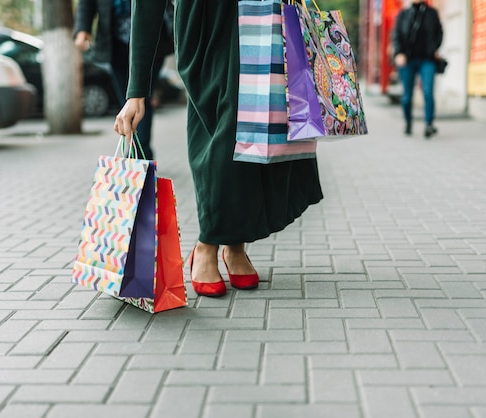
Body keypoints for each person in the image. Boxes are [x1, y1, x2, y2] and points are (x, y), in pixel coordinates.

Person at [114, 1, 323, 297]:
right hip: (206, 23)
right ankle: (208, 244)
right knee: (224, 135)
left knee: (256, 134)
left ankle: (234, 244)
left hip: (264, 15)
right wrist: (136, 91)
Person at [74, 0, 173, 160]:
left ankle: (140, 153)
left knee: (141, 99)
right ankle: (137, 152)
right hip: (115, 42)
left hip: (152, 42)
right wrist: (82, 29)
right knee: (127, 100)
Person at [392, 0, 443, 139]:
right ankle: (408, 123)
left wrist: (433, 49)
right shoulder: (403, 14)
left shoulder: (432, 13)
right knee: (407, 96)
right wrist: (399, 53)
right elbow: (396, 36)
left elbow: (439, 33)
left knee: (428, 92)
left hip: (427, 60)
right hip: (407, 60)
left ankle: (429, 124)